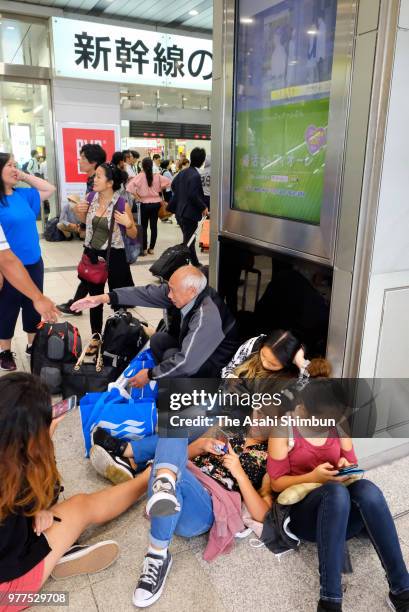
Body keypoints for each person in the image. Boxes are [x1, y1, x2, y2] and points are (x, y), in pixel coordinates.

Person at [0, 372, 151, 609]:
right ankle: (148, 478)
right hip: (8, 591)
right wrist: (45, 445)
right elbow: (46, 492)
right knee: (82, 505)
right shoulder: (17, 478)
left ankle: (52, 556)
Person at [268, 373, 409, 612]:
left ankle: (402, 590)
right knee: (335, 493)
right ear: (301, 410)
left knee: (368, 490)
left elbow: (353, 466)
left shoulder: (337, 424)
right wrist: (313, 478)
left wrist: (347, 468)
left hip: (341, 514)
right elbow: (277, 484)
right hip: (305, 517)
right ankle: (329, 601)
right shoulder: (285, 430)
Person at [71, 265, 239, 386]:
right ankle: (168, 381)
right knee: (159, 340)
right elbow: (144, 293)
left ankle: (184, 399)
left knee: (171, 355)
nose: (168, 294)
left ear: (192, 291)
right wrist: (101, 298)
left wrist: (151, 375)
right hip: (195, 350)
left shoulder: (207, 315)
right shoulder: (183, 292)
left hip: (215, 364)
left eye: (173, 290)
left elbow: (186, 362)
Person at [70, 162, 137, 353]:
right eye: (95, 175)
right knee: (94, 299)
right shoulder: (90, 197)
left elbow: (132, 235)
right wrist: (79, 213)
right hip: (93, 254)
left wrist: (128, 224)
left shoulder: (121, 203)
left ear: (110, 183)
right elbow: (86, 224)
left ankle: (120, 335)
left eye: (99, 176)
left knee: (117, 298)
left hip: (114, 255)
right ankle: (96, 337)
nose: (94, 179)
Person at [0, 153, 56, 371]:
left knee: (33, 306)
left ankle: (33, 345)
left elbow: (49, 188)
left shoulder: (22, 195)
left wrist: (22, 175)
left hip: (33, 261)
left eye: (16, 165)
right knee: (7, 308)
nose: (14, 169)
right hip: (8, 266)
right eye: (9, 166)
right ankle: (4, 349)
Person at [57, 144, 107, 313]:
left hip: (101, 240)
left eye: (83, 158)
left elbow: (99, 211)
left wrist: (81, 223)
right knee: (89, 274)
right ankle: (75, 305)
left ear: (93, 162)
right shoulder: (92, 180)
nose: (79, 161)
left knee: (94, 276)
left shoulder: (98, 182)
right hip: (94, 238)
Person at [0, 224, 58, 323]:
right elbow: (6, 259)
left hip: (31, 262)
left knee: (32, 321)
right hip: (10, 269)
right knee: (5, 323)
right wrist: (38, 298)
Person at [169, 147, 208, 266]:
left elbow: (173, 185)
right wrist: (203, 207)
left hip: (179, 211)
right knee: (189, 240)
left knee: (188, 239)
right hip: (189, 213)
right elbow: (193, 195)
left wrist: (182, 197)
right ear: (202, 161)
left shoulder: (183, 172)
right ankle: (188, 263)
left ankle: (190, 262)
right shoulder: (195, 175)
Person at [126, 157, 171, 256]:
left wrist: (137, 197)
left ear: (142, 165)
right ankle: (152, 249)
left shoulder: (140, 176)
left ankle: (144, 249)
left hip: (144, 204)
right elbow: (169, 182)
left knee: (144, 227)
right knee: (154, 226)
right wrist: (159, 188)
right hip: (156, 204)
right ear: (151, 165)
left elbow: (129, 187)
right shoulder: (157, 176)